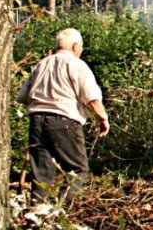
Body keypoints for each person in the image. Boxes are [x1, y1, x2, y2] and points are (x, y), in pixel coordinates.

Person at [16, 27, 110, 203]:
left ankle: (38, 214)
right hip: (63, 121)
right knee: (77, 169)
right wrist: (102, 118)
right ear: (75, 46)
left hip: (36, 121)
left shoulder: (41, 64)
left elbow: (22, 97)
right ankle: (63, 210)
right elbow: (90, 96)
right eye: (81, 46)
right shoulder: (76, 65)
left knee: (42, 173)